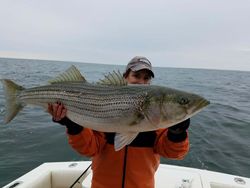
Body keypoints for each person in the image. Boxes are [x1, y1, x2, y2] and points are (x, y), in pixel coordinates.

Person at [48, 56, 190, 188]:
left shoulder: (157, 120)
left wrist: (177, 132)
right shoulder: (104, 109)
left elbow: (174, 153)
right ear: (125, 77)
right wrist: (72, 125)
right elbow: (89, 149)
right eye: (136, 76)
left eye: (146, 78)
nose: (141, 82)